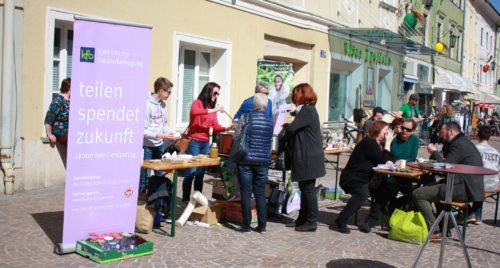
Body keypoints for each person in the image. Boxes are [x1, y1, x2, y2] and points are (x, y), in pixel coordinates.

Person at [413, 122, 483, 239]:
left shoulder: (459, 144)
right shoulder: (463, 142)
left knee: (418, 194)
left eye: (442, 132)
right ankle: (445, 227)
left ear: (450, 132)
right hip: (466, 186)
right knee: (431, 185)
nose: (440, 135)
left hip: (463, 189)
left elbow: (445, 166)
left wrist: (434, 152)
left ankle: (434, 230)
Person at [335, 120, 394, 234]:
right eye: (385, 131)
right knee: (362, 194)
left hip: (365, 178)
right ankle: (341, 220)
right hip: (352, 178)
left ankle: (369, 222)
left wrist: (391, 161)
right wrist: (388, 144)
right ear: (378, 131)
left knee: (383, 190)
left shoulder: (376, 144)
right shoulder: (369, 143)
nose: (388, 134)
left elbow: (384, 160)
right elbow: (382, 161)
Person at [281, 83, 325, 232]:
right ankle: (302, 219)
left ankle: (311, 221)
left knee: (308, 190)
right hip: (307, 156)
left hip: (308, 157)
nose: (293, 97)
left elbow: (293, 129)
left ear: (301, 94)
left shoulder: (307, 110)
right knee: (305, 188)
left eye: (295, 94)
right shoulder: (306, 110)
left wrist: (286, 129)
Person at [182, 82, 230, 202]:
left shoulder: (212, 109)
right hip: (194, 141)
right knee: (191, 171)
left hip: (205, 143)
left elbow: (216, 127)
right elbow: (195, 112)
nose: (216, 95)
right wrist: (214, 109)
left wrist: (227, 128)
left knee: (200, 174)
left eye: (218, 93)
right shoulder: (197, 103)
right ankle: (185, 199)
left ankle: (198, 200)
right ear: (208, 91)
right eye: (215, 92)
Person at [233, 93, 274, 233]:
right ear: (266, 105)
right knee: (260, 193)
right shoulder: (270, 120)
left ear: (254, 104)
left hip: (246, 160)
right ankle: (262, 226)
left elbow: (236, 136)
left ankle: (246, 226)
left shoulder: (246, 116)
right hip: (263, 161)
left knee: (245, 192)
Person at [140, 77, 177, 192]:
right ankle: (141, 204)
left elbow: (164, 125)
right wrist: (162, 136)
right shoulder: (146, 104)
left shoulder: (163, 105)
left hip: (159, 145)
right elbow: (143, 131)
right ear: (161, 90)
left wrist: (173, 133)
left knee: (160, 175)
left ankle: (157, 200)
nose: (170, 95)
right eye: (168, 92)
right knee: (144, 178)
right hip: (147, 146)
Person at [470, 126, 500, 224]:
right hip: (493, 184)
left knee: (475, 182)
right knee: (481, 182)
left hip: (478, 185)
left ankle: (470, 213)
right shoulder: (496, 153)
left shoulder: (474, 149)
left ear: (477, 136)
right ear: (489, 137)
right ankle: (476, 215)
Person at [44, 78, 71, 168]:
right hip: (61, 131)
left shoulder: (71, 99)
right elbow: (49, 119)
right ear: (69, 88)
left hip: (71, 132)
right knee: (74, 144)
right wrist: (49, 134)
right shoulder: (58, 101)